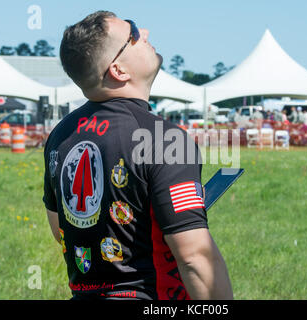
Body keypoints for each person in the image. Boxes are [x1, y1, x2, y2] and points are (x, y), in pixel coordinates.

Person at [43, 11, 233, 300]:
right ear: (118, 70)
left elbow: (61, 231)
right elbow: (195, 259)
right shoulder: (165, 139)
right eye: (132, 33)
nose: (143, 31)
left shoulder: (60, 135)